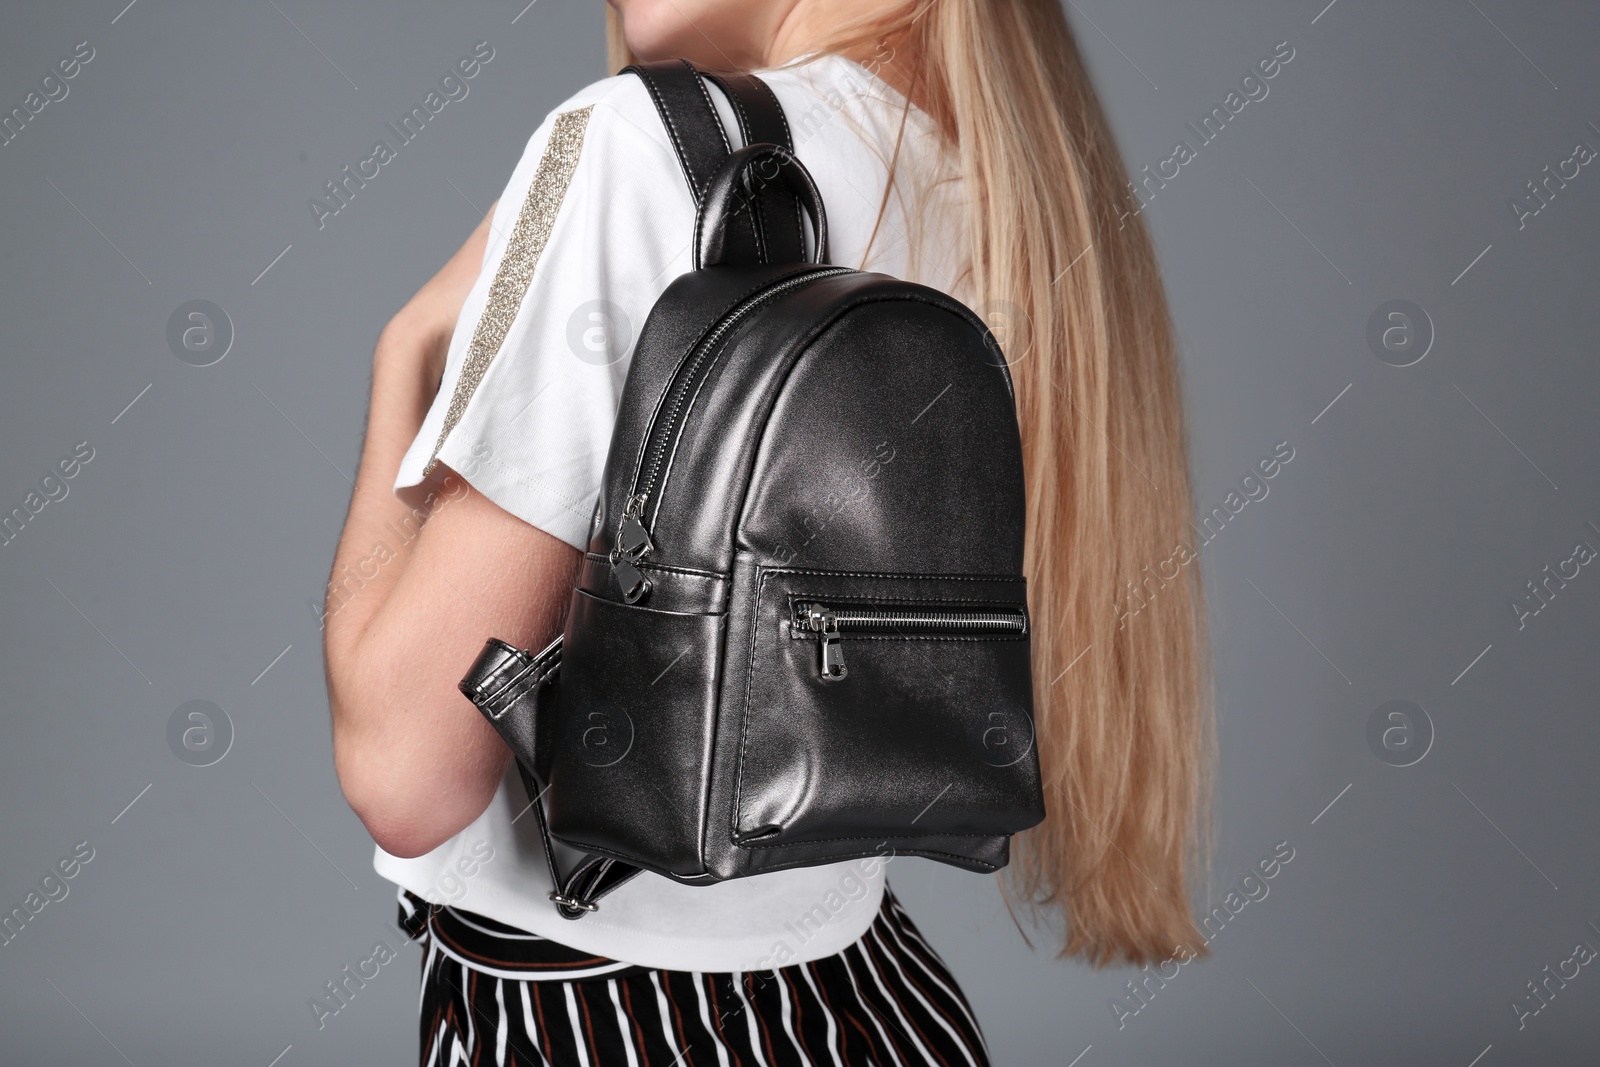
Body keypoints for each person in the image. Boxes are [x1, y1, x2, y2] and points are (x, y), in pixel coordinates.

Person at [323, 0, 1214, 1062]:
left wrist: (400, 350)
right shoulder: (1008, 188)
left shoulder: (646, 148)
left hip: (608, 1021)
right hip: (877, 1002)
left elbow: (403, 775)